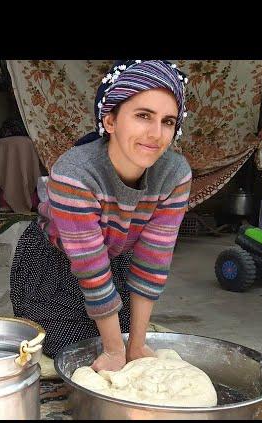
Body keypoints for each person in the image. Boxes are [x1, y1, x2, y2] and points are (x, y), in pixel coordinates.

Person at [10, 60, 192, 372]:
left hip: (117, 258)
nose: (155, 133)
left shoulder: (174, 175)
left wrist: (135, 346)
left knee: (128, 344)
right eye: (143, 116)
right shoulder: (74, 174)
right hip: (54, 264)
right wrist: (112, 350)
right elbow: (91, 269)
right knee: (77, 351)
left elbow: (152, 261)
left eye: (168, 122)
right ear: (110, 120)